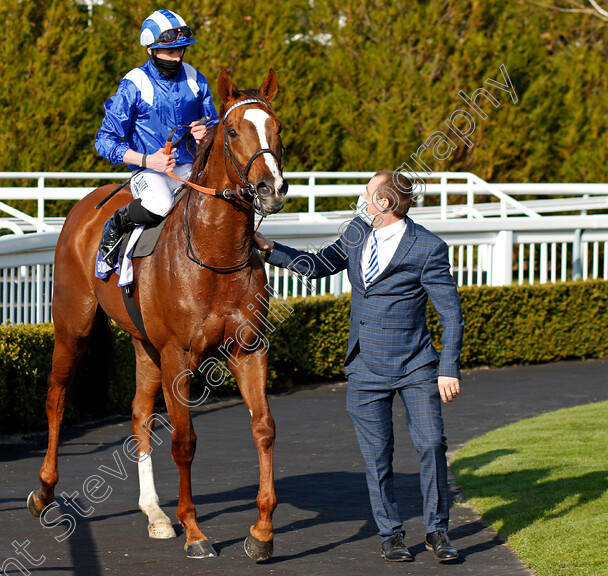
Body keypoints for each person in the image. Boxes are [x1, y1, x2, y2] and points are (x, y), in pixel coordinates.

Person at [253, 171, 464, 563]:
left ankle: (437, 530)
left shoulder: (428, 248)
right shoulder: (355, 232)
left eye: (365, 193)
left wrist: (447, 368)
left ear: (383, 203)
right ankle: (391, 534)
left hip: (417, 366)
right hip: (365, 366)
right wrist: (269, 249)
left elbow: (451, 315)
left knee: (432, 444)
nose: (360, 199)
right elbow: (317, 266)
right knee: (377, 456)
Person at [95, 8, 218, 268]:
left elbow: (214, 122)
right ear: (150, 50)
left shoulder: (196, 79)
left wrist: (204, 132)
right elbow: (105, 140)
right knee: (161, 204)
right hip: (148, 173)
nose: (177, 58)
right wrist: (148, 161)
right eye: (170, 52)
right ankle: (116, 224)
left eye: (181, 50)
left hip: (191, 168)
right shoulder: (134, 83)